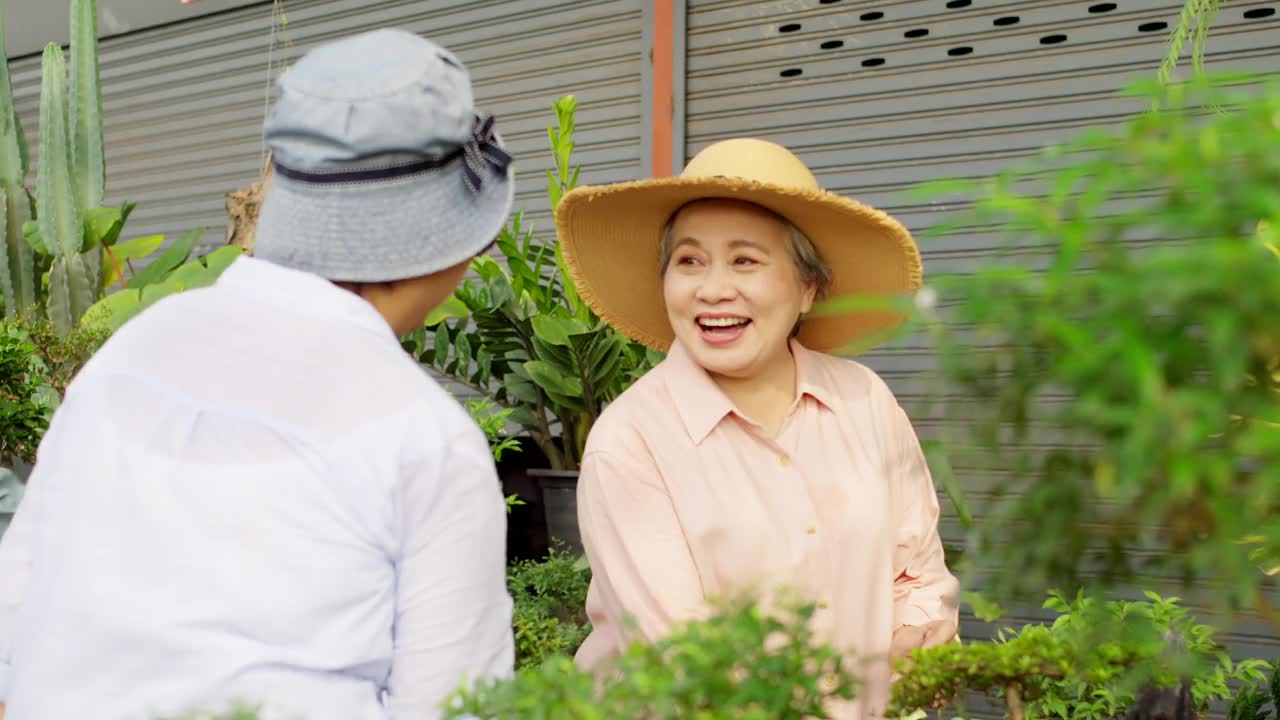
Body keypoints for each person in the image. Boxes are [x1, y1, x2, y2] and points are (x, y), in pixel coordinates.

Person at [0, 29, 516, 720]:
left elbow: (15, 614)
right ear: (453, 245)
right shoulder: (427, 436)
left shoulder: (133, 349)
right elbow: (456, 706)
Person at [554, 138, 961, 718]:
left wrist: (918, 646)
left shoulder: (864, 401)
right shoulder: (632, 441)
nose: (713, 289)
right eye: (689, 260)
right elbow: (686, 665)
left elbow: (916, 573)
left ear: (807, 288)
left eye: (745, 260)